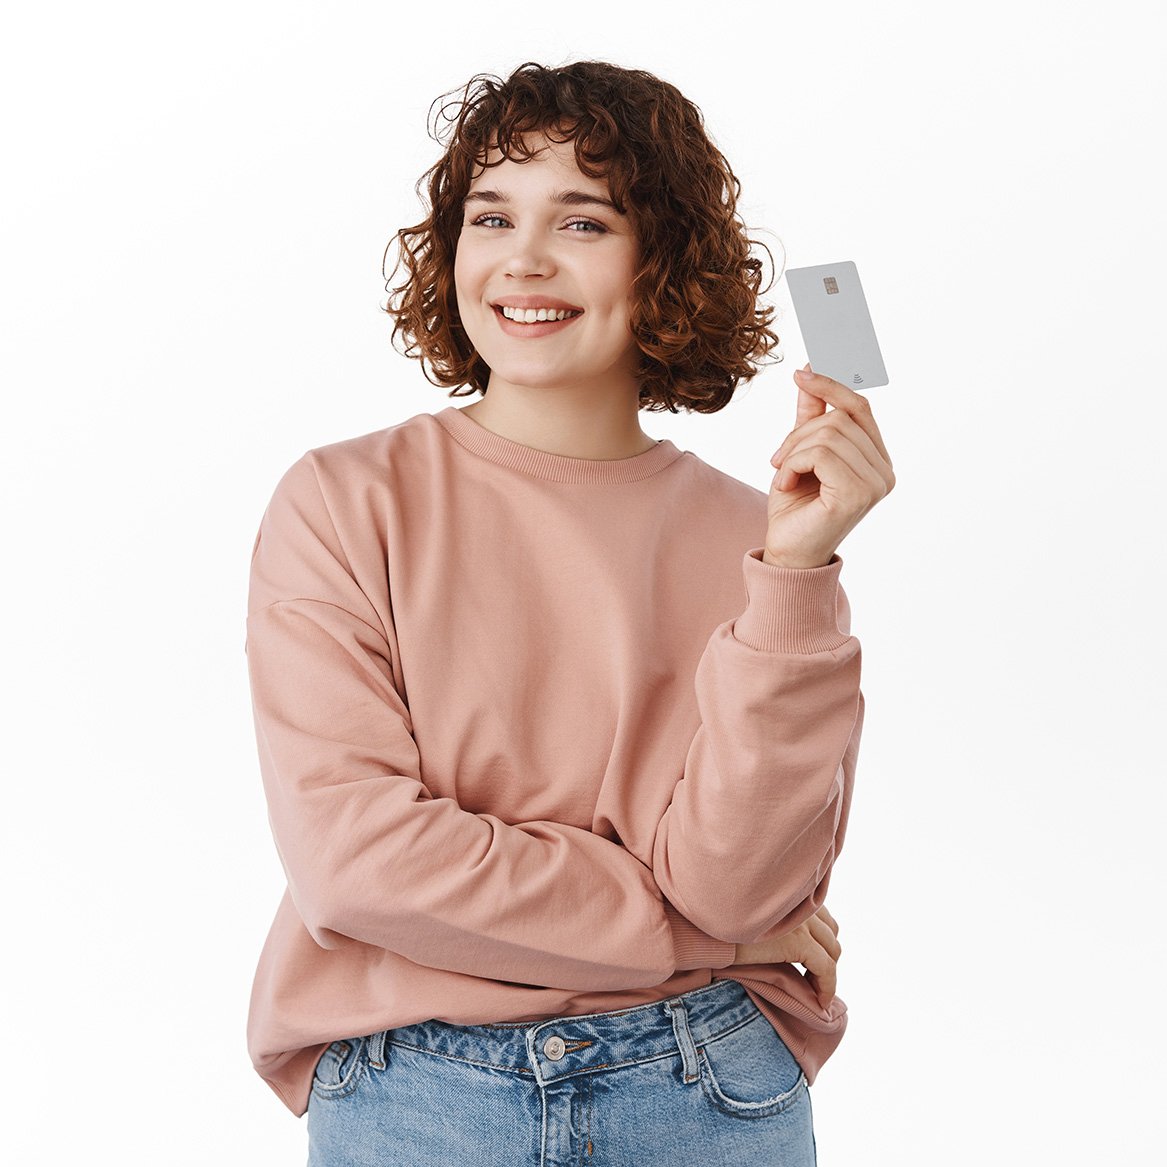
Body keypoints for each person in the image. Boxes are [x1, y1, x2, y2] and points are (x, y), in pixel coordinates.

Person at [243, 58, 894, 1166]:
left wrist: (796, 570)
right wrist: (704, 935)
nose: (524, 260)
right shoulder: (346, 501)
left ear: (664, 261)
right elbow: (359, 864)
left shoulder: (762, 541)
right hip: (417, 1092)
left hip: (705, 1085)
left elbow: (736, 878)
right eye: (490, 215)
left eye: (584, 221)